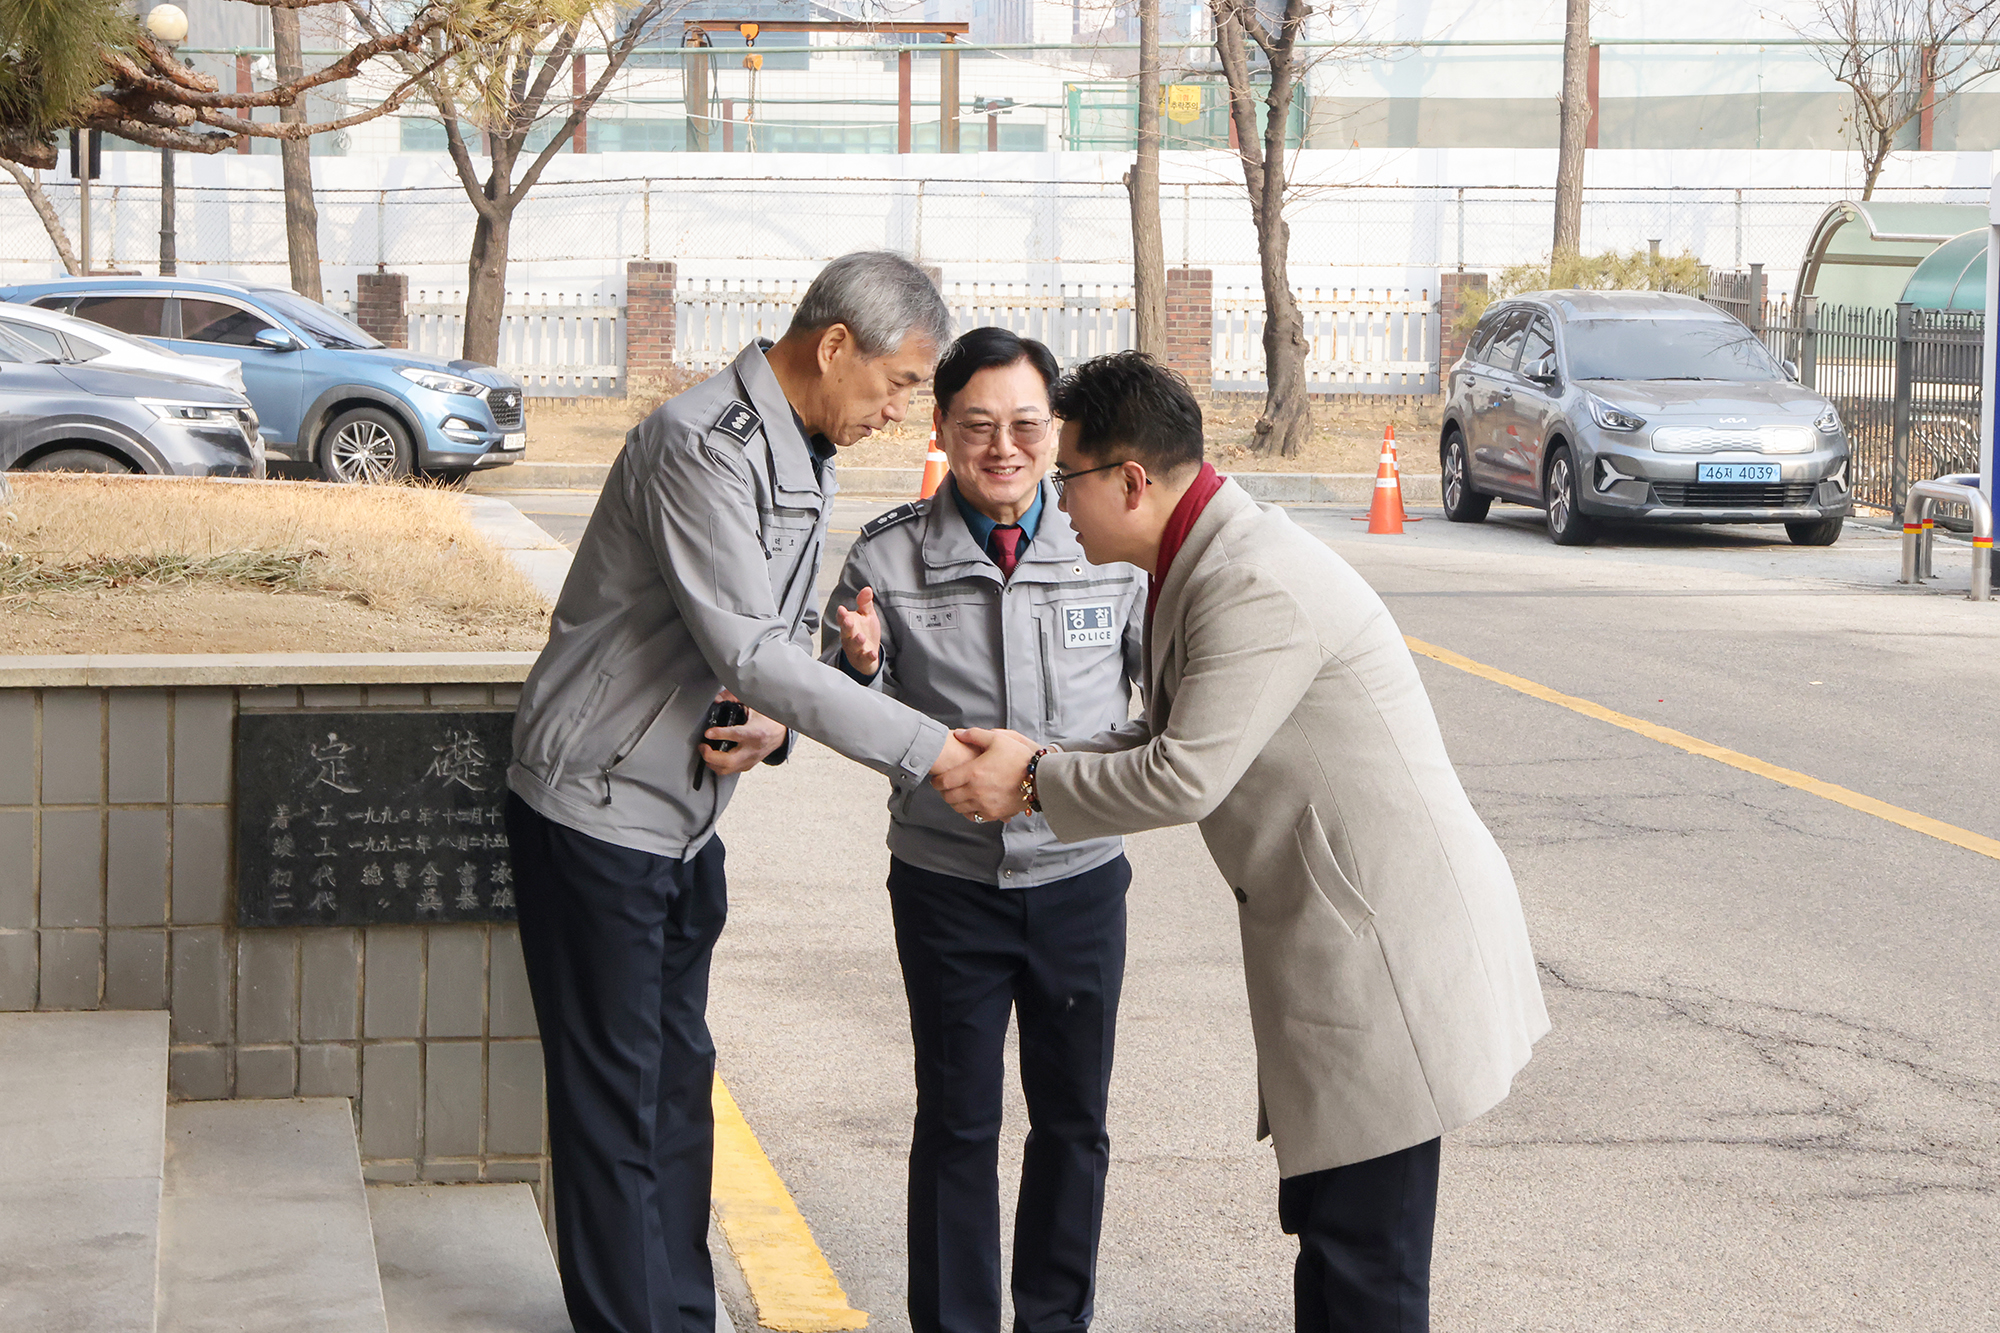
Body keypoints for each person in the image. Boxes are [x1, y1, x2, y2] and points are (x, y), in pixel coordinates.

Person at [933, 351, 1549, 1333]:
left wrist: (1034, 780)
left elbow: (1184, 774)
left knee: (1364, 1271)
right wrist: (1038, 758)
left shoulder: (1251, 578)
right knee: (1333, 1243)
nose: (1060, 505)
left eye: (1067, 479)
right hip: (1345, 946)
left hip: (1387, 958)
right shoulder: (1200, 558)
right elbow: (1163, 732)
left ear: (1131, 480)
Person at [504, 251, 982, 1333]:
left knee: (675, 1094)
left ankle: (678, 1309)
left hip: (677, 820)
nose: (904, 411)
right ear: (832, 347)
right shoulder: (700, 446)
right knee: (617, 1107)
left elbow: (755, 653)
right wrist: (932, 749)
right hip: (597, 812)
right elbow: (753, 645)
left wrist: (772, 723)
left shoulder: (794, 444)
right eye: (900, 383)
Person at [821, 327, 1145, 1333]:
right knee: (957, 1123)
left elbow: (1166, 701)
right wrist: (864, 669)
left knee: (1073, 1123)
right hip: (945, 884)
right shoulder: (885, 555)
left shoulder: (1109, 551)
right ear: (941, 428)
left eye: (1024, 425)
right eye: (977, 426)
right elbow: (835, 702)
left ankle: (1054, 1319)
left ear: (1056, 432)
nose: (1001, 446)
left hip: (1079, 878)